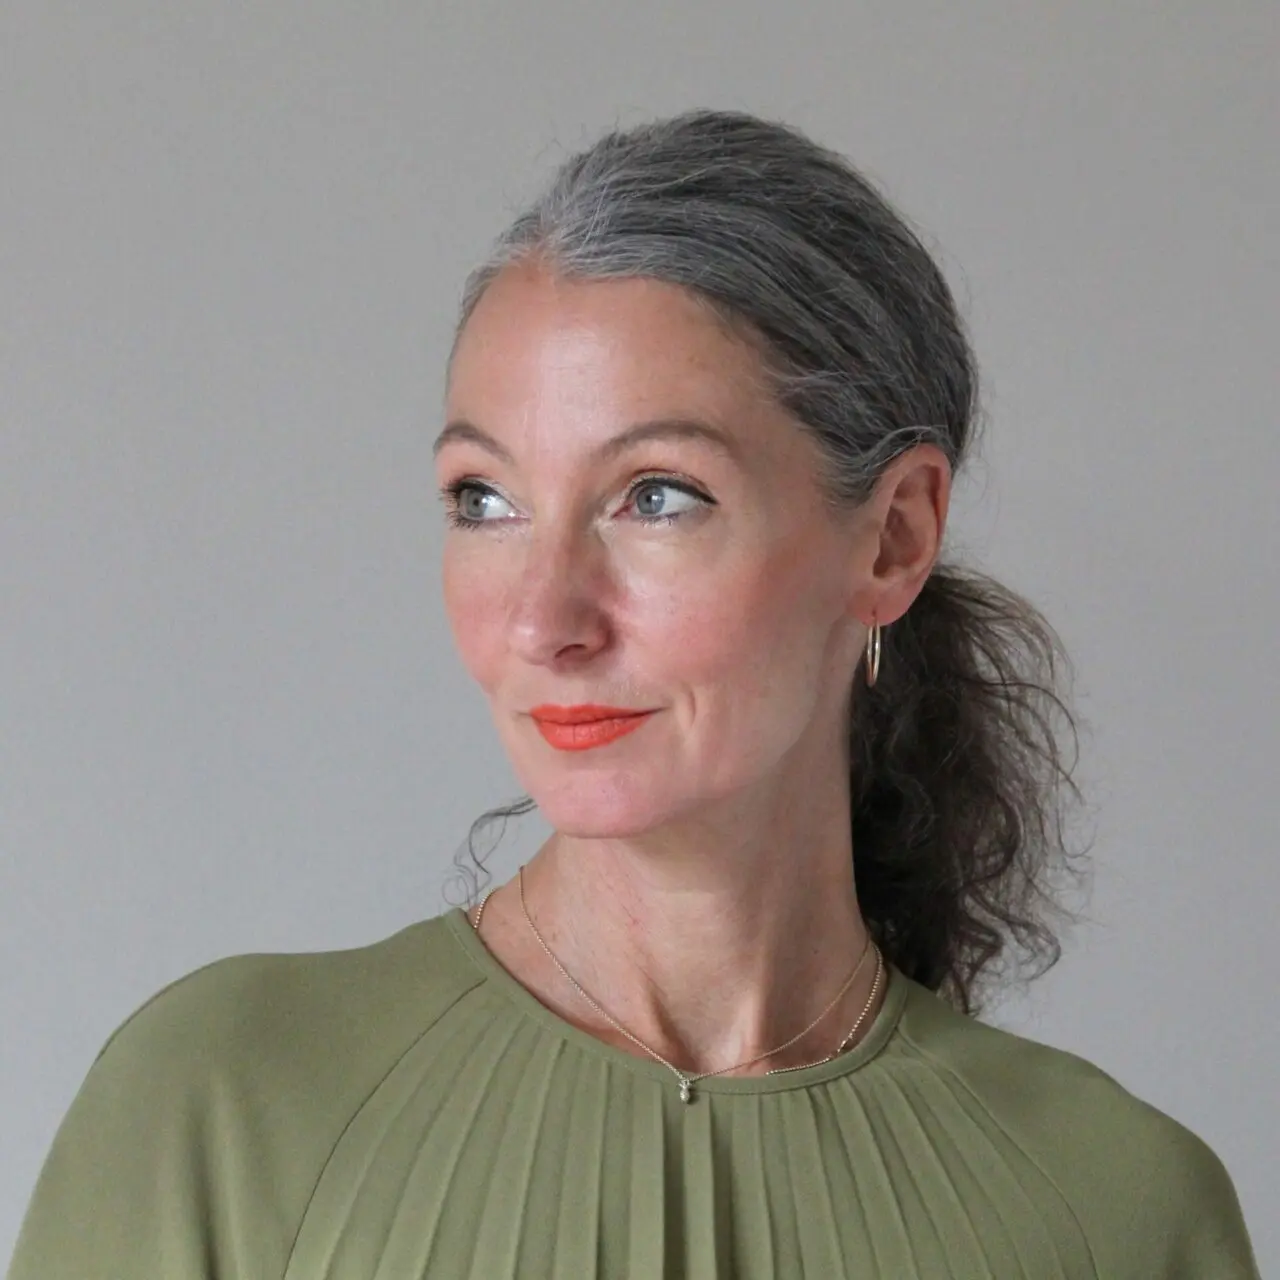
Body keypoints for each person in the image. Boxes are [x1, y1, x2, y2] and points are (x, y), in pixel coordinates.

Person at [7, 108, 1259, 1280]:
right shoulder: (220, 1105)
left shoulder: (1116, 1207)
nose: (544, 619)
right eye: (483, 500)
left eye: (656, 494)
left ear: (890, 539)